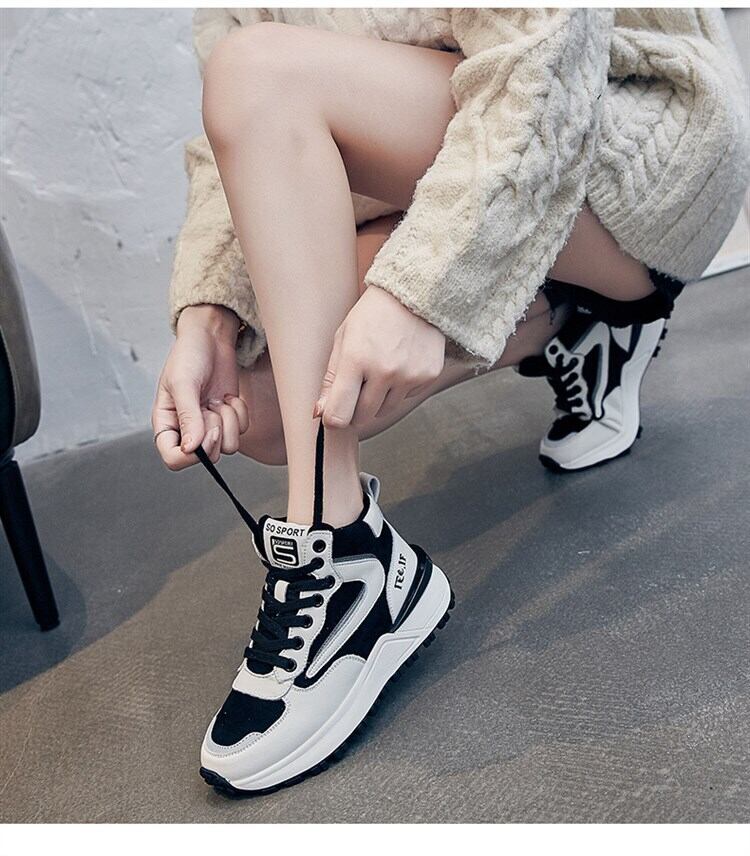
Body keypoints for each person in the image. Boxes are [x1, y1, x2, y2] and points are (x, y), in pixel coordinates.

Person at [152, 8, 749, 794]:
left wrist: (424, 293)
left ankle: (341, 552)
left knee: (256, 70)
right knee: (265, 408)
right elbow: (233, 144)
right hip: (441, 149)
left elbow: (545, 63)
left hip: (621, 121)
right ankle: (571, 319)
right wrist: (209, 315)